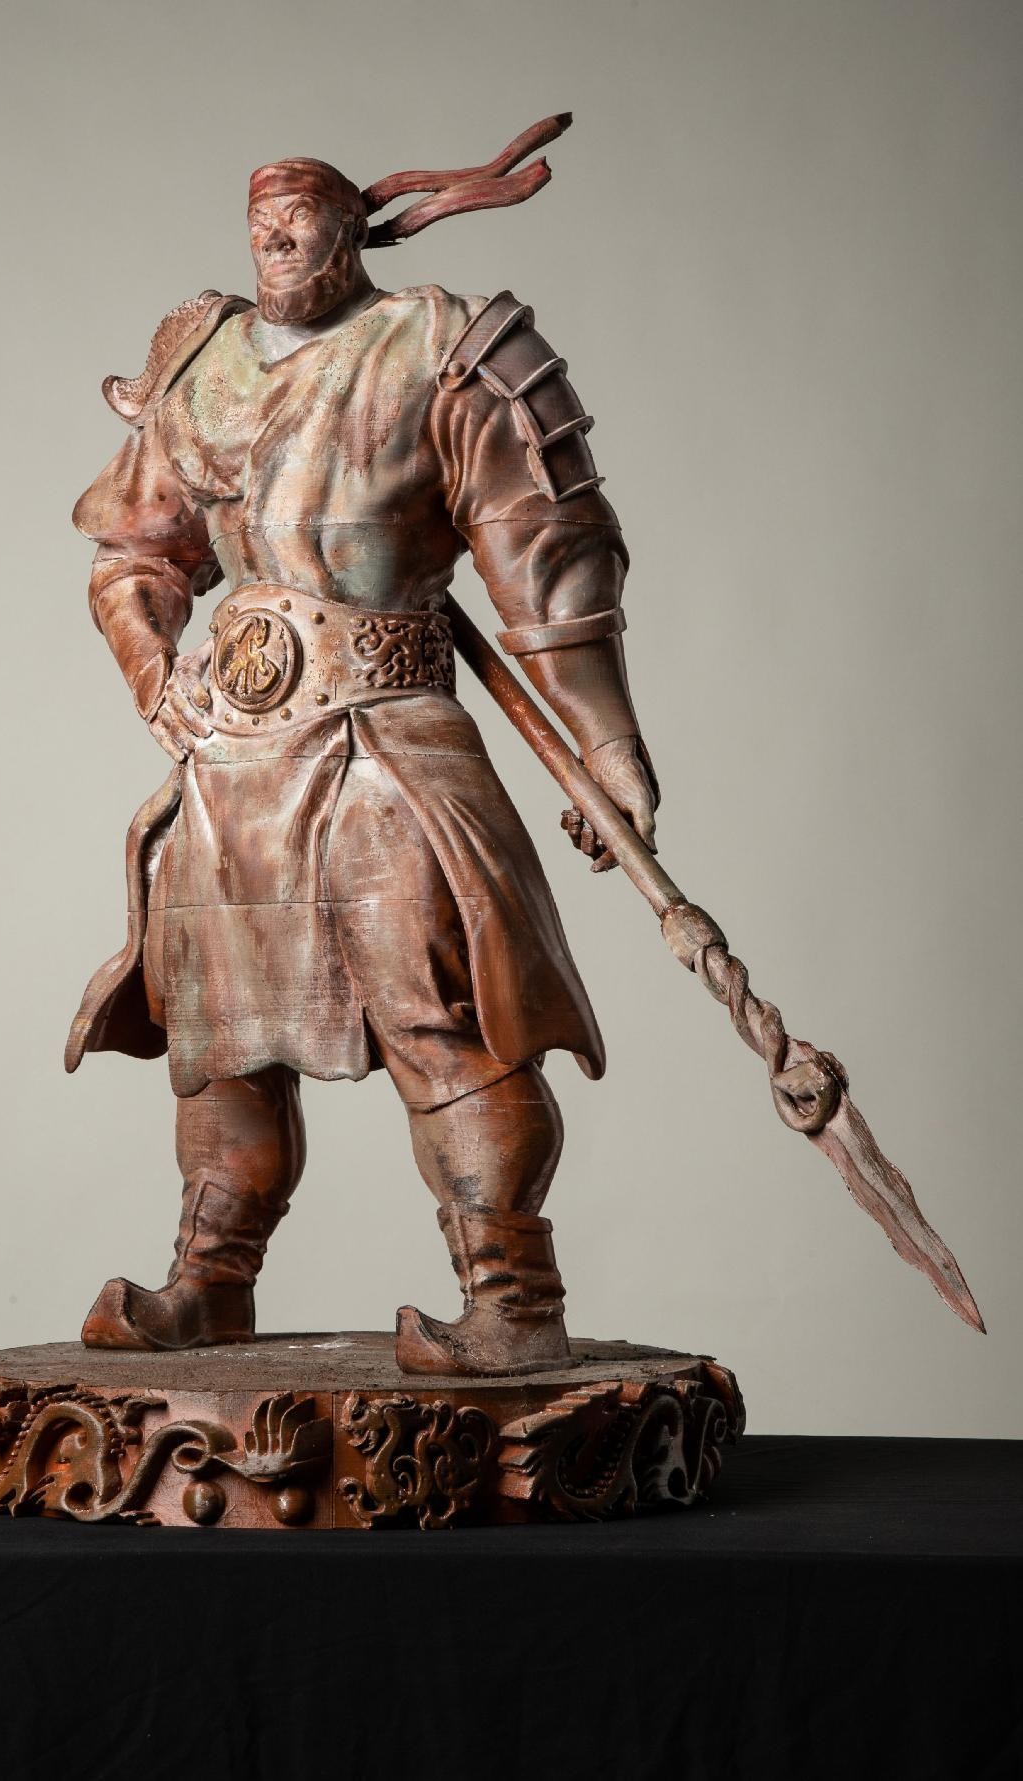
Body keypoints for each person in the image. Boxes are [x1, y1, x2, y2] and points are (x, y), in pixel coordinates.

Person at [66, 117, 658, 1375]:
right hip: (231, 758)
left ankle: (510, 1297)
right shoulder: (199, 363)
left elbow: (549, 552)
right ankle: (208, 1281)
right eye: (261, 226)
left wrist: (607, 746)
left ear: (356, 231)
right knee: (218, 1034)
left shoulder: (444, 346)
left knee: (446, 1015)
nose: (276, 242)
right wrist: (155, 673)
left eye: (301, 222)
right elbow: (136, 553)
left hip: (388, 740)